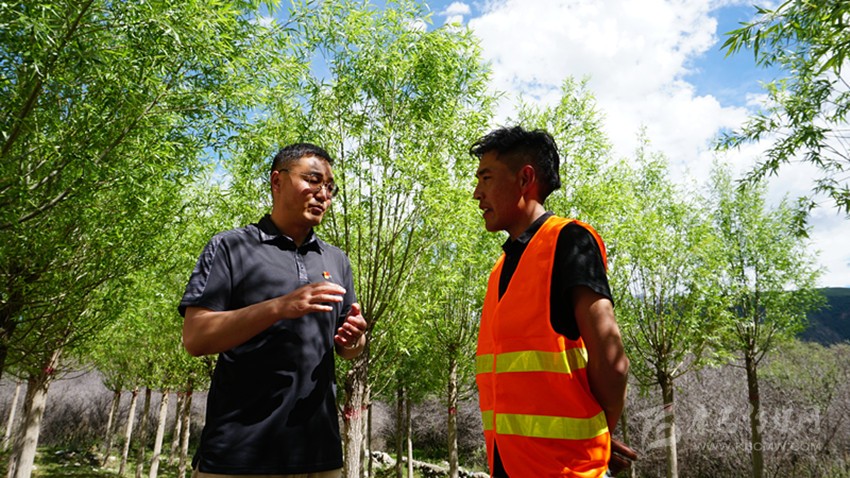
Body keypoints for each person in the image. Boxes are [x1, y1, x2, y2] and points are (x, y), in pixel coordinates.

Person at [178, 142, 367, 478]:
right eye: (313, 180)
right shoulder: (231, 247)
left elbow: (347, 350)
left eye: (330, 187)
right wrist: (280, 307)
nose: (323, 194)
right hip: (239, 456)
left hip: (320, 455)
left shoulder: (336, 260)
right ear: (277, 181)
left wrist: (354, 339)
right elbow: (196, 338)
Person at [470, 126, 630, 477]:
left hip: (569, 470)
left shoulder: (569, 240)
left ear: (525, 179)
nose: (476, 193)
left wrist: (600, 436)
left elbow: (613, 362)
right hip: (510, 467)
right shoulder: (500, 269)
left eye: (486, 178)